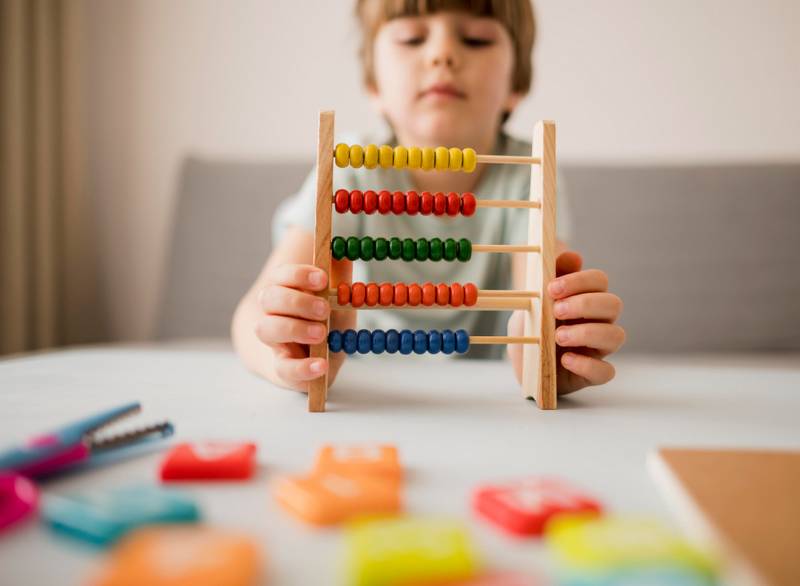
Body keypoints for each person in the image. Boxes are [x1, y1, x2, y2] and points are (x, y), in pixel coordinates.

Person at [232, 0, 625, 397]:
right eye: (412, 38)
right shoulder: (349, 170)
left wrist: (552, 341)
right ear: (374, 87)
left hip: (486, 403)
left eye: (476, 39)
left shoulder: (530, 173)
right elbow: (251, 316)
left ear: (515, 86)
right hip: (366, 395)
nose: (442, 54)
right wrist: (286, 356)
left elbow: (538, 294)